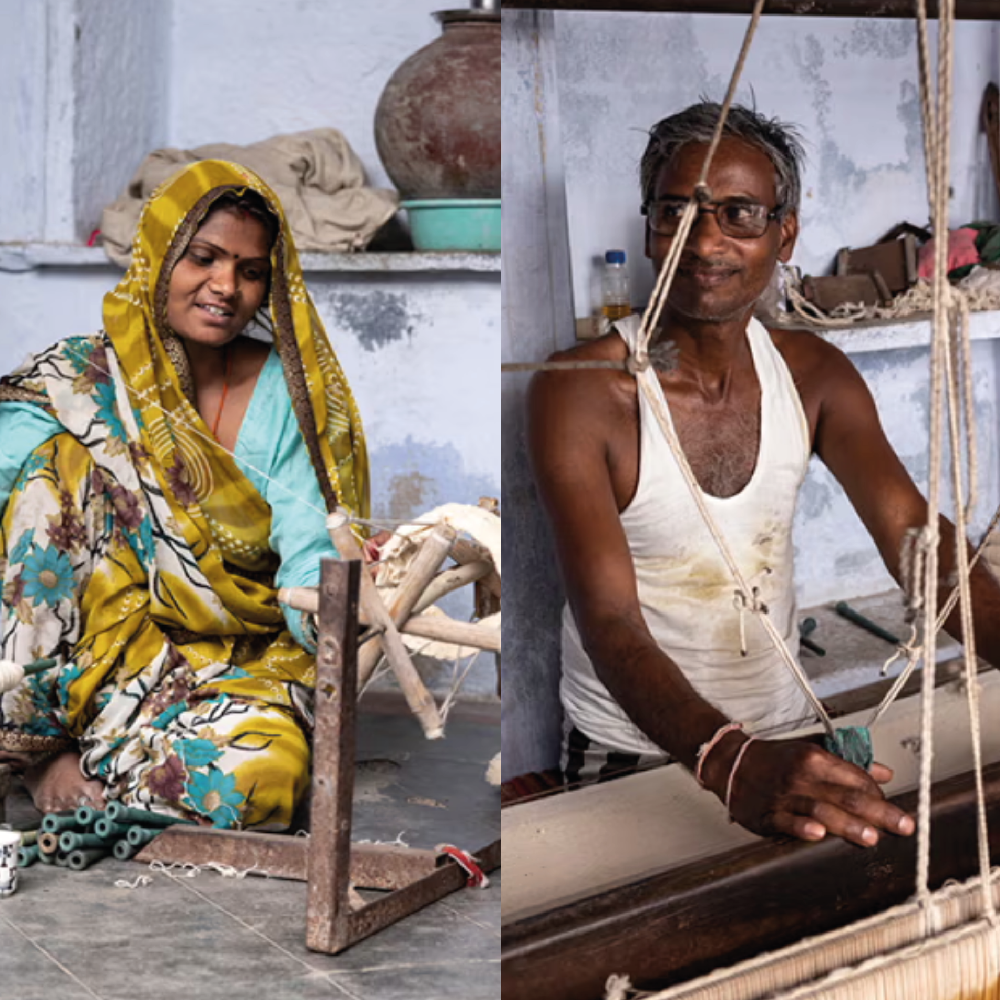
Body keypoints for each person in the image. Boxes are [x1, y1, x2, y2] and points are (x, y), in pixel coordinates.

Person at [528, 102, 1000, 850]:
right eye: (677, 212)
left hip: (783, 727)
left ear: (786, 234)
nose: (704, 241)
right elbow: (611, 620)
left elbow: (917, 541)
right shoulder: (581, 391)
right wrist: (728, 759)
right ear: (650, 229)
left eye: (739, 214)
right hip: (631, 747)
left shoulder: (814, 375)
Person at [0, 160, 368, 829]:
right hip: (86, 658)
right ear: (158, 257)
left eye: (251, 271)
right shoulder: (81, 380)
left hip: (234, 663)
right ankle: (39, 751)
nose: (226, 286)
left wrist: (348, 600)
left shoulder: (292, 393)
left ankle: (104, 766)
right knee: (54, 465)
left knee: (254, 784)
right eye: (203, 258)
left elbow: (311, 548)